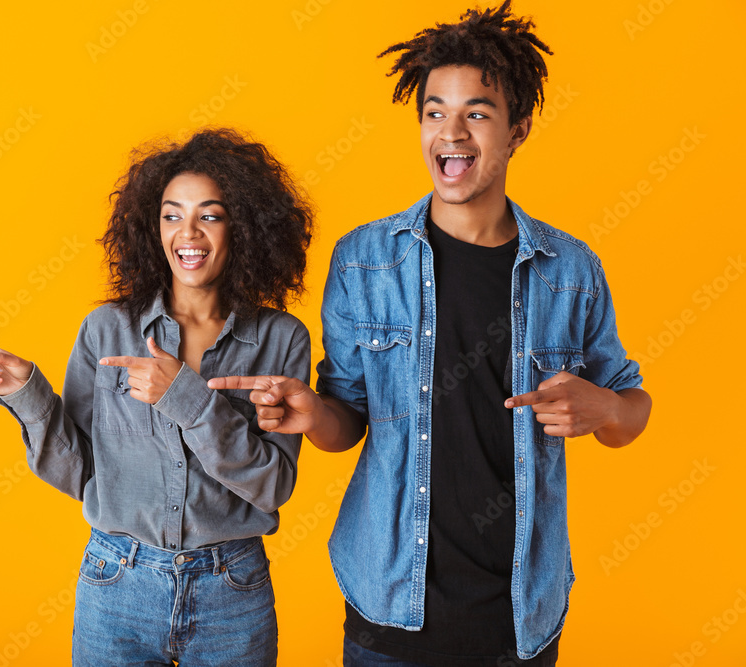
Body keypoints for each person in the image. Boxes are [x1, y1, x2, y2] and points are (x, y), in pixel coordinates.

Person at [208, 3, 652, 666]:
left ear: (517, 130)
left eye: (477, 112)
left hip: (521, 612)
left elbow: (630, 407)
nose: (452, 131)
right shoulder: (364, 259)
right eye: (435, 111)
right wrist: (310, 411)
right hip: (389, 602)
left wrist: (608, 408)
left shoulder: (572, 269)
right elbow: (347, 419)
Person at [0, 128, 313, 666]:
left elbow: (272, 487)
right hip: (118, 583)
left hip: (232, 588)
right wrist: (27, 391)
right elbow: (80, 473)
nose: (189, 232)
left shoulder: (282, 339)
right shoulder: (106, 331)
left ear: (243, 226)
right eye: (171, 215)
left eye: (210, 215)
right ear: (150, 226)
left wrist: (186, 399)